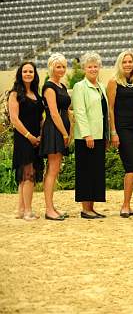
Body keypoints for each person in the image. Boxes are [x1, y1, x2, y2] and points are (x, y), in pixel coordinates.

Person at [72, 53, 110, 219]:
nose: (93, 69)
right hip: (86, 138)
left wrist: (106, 135)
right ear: (84, 69)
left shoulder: (101, 86)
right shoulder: (80, 87)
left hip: (100, 135)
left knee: (96, 172)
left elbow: (104, 112)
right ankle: (85, 209)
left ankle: (92, 208)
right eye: (90, 66)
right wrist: (87, 134)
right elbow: (79, 112)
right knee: (86, 172)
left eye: (96, 66)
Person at [107, 51, 133, 218]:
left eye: (130, 62)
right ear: (120, 64)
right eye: (125, 62)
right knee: (132, 166)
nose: (128, 64)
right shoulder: (114, 82)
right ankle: (125, 205)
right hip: (122, 129)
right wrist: (113, 132)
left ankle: (128, 205)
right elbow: (111, 109)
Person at [8, 62, 44, 220]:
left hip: (36, 138)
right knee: (28, 173)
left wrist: (41, 135)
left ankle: (21, 210)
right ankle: (28, 211)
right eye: (25, 71)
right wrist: (29, 136)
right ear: (20, 74)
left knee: (26, 174)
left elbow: (40, 118)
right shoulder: (15, 94)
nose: (28, 74)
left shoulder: (37, 94)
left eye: (31, 71)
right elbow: (14, 119)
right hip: (24, 138)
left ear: (34, 74)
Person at [40, 53, 72, 221]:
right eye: (58, 66)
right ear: (51, 67)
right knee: (52, 169)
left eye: (63, 66)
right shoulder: (49, 87)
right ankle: (48, 209)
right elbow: (53, 112)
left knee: (55, 169)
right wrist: (65, 133)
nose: (61, 69)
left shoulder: (62, 86)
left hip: (61, 129)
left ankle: (52, 207)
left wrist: (70, 129)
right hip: (54, 130)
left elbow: (66, 110)